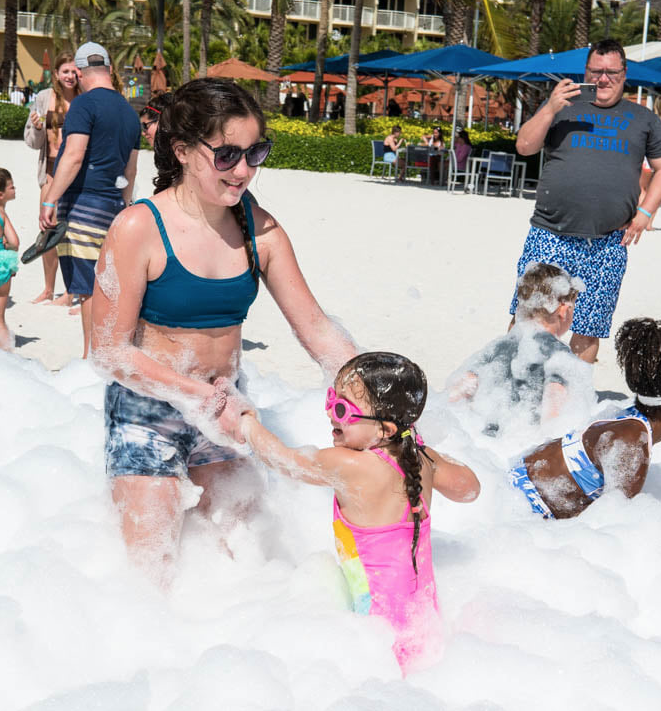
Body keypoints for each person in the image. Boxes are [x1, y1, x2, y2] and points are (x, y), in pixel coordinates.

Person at [91, 78, 357, 584]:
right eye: (228, 154)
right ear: (184, 151)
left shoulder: (260, 230)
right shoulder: (137, 228)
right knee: (153, 574)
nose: (244, 171)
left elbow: (318, 330)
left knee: (246, 564)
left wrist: (380, 399)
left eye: (256, 152)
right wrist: (200, 397)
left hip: (226, 410)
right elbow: (108, 353)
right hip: (148, 413)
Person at [239, 352, 480, 674]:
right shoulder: (421, 460)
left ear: (384, 429)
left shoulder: (351, 465)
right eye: (331, 399)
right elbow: (469, 489)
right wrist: (427, 451)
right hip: (423, 623)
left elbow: (284, 461)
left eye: (343, 409)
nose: (331, 414)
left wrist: (247, 423)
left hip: (376, 632)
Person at [512, 38, 661, 365]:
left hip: (608, 242)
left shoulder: (644, 118)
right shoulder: (563, 105)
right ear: (585, 72)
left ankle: (572, 402)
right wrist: (550, 107)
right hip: (550, 233)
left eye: (611, 72)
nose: (603, 79)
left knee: (588, 326)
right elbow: (524, 146)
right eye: (596, 71)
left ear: (624, 73)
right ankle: (514, 388)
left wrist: (645, 212)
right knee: (529, 316)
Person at [39, 41, 141, 359]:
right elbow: (131, 171)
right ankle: (105, 355)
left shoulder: (83, 105)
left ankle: (91, 359)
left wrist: (50, 200)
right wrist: (123, 206)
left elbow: (72, 155)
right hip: (113, 207)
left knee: (87, 289)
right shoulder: (129, 112)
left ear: (81, 74)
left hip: (84, 204)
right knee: (109, 285)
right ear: (109, 71)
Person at [510, 317, 661, 519]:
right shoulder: (631, 444)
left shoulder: (629, 419)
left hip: (511, 491)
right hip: (520, 511)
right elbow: (615, 522)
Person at [448, 263, 590, 437]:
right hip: (521, 445)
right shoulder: (558, 355)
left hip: (485, 440)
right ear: (563, 310)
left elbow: (457, 393)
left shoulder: (501, 344)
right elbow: (554, 417)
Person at [24, 50, 81, 306]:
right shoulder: (44, 98)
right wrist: (37, 128)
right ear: (56, 74)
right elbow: (33, 143)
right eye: (65, 71)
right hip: (50, 172)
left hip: (78, 173)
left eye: (73, 71)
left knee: (73, 234)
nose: (69, 76)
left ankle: (71, 291)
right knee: (48, 232)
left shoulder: (85, 98)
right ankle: (48, 289)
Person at [0, 169, 19, 351]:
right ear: (1, 194)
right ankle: (5, 351)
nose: (15, 189)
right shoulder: (2, 214)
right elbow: (14, 242)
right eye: (11, 187)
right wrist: (7, 245)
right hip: (2, 264)